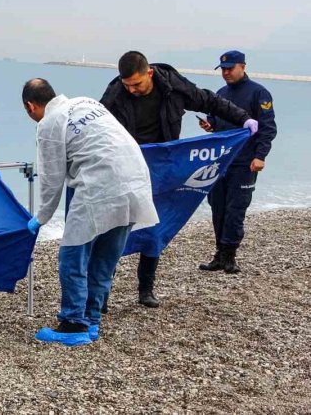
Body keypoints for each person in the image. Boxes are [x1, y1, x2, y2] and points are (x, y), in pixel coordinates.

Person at [99, 50, 258, 309]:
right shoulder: (116, 93)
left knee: (154, 226)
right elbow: (97, 125)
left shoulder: (173, 86)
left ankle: (146, 290)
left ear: (149, 72)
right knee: (114, 228)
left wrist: (244, 118)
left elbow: (209, 101)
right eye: (128, 85)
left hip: (163, 167)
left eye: (137, 84)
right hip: (126, 166)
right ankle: (101, 293)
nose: (133, 90)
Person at [23, 78, 159, 346]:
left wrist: (41, 217)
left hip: (100, 187)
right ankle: (92, 320)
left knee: (72, 256)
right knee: (104, 259)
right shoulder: (86, 102)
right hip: (137, 183)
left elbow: (52, 177)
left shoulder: (49, 123)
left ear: (30, 106)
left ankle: (73, 324)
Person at [198, 50, 277, 274]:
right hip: (221, 160)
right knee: (218, 207)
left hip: (245, 161)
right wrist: (209, 125)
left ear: (242, 66)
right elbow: (216, 123)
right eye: (222, 69)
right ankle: (219, 254)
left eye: (230, 68)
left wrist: (260, 156)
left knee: (236, 209)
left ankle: (230, 255)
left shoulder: (259, 93)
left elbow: (268, 128)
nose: (225, 73)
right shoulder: (220, 93)